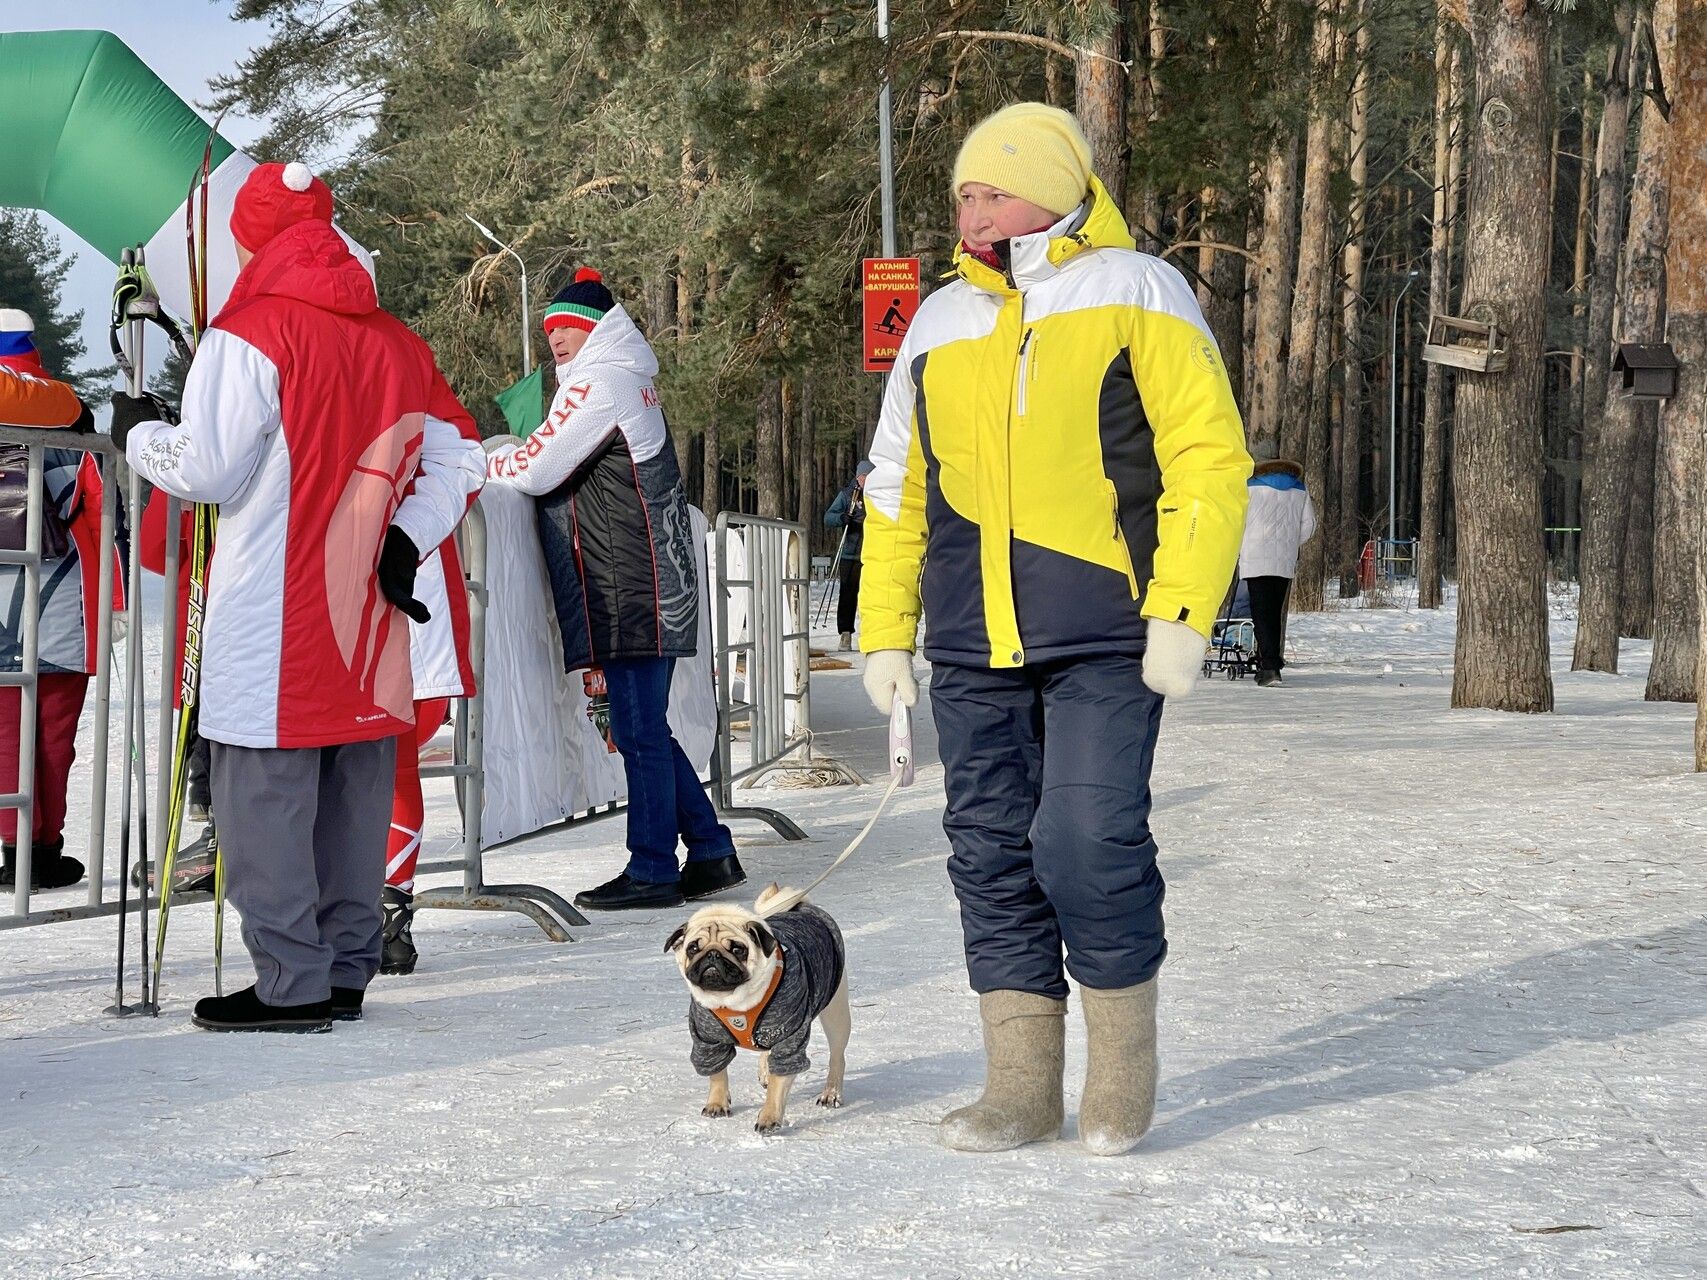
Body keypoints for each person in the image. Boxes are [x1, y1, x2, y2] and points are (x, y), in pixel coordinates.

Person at [859, 104, 1251, 1155]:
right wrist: (884, 629)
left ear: (1058, 185)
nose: (970, 206)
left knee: (1085, 840)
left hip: (1107, 634)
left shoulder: (1138, 289)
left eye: (993, 187)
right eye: (963, 193)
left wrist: (1181, 608)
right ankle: (1020, 1083)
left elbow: (1208, 462)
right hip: (970, 637)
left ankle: (1120, 1070)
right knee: (987, 851)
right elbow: (897, 487)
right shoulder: (938, 319)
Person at [112, 161, 485, 1032]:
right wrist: (407, 535)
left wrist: (141, 436)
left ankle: (291, 981)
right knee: (354, 786)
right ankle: (346, 968)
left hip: (271, 602)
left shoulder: (248, 331)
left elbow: (206, 469)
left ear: (249, 240)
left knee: (264, 798)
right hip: (369, 603)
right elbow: (460, 453)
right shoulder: (397, 338)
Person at [486, 267, 741, 913]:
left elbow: (537, 466)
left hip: (630, 580)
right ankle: (709, 851)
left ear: (597, 329)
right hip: (636, 574)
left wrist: (483, 461)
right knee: (642, 727)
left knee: (638, 729)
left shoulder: (601, 381)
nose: (557, 341)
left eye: (568, 327)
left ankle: (653, 867)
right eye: (549, 332)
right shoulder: (621, 377)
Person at [0, 311, 112, 892]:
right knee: (53, 735)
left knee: (3, 733)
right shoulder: (71, 418)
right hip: (63, 608)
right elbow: (105, 519)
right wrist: (111, 602)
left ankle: (10, 846)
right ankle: (45, 851)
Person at [380, 536, 477, 976]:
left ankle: (381, 919)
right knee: (391, 776)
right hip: (411, 597)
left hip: (398, 602)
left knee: (344, 776)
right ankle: (386, 922)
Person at [1239, 449, 1318, 688]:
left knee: (1261, 613)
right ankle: (1270, 661)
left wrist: (1241, 547)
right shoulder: (1299, 490)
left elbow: (1236, 521)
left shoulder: (1249, 488)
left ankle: (1269, 667)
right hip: (1284, 561)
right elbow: (1309, 526)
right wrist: (1290, 544)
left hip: (1255, 557)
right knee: (1274, 612)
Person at [823, 460, 873, 651]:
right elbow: (828, 517)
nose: (867, 480)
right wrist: (842, 518)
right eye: (865, 477)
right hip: (850, 553)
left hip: (872, 553)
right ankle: (845, 633)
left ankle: (871, 633)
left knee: (872, 595)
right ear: (859, 477)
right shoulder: (846, 495)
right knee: (848, 595)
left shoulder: (877, 495)